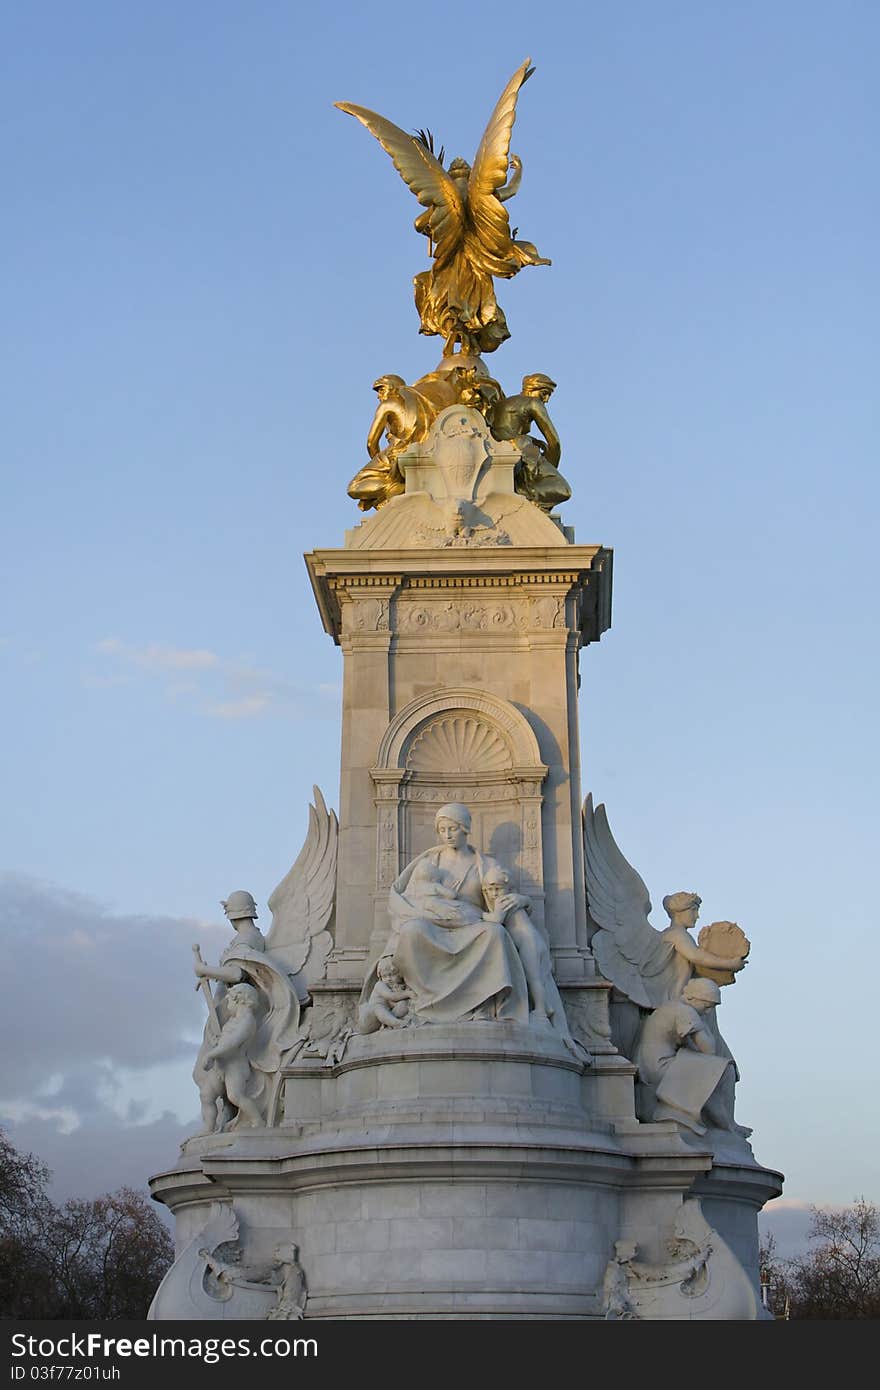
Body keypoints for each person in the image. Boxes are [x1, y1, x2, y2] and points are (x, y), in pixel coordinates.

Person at [385, 803, 530, 1024]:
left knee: (494, 933)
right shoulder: (428, 863)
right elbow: (411, 899)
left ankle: (479, 1004)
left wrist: (523, 900)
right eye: (442, 830)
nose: (447, 834)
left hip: (471, 925)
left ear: (465, 828)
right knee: (411, 930)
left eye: (452, 828)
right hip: (434, 924)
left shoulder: (485, 864)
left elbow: (501, 897)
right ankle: (424, 1000)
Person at [192, 891, 304, 1132]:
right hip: (226, 1012)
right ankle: (222, 1119)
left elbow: (236, 974)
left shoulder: (249, 938)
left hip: (229, 1015)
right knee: (207, 1080)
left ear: (231, 914)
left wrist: (205, 969)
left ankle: (242, 1119)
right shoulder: (248, 937)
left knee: (210, 1076)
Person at [634, 978, 750, 1135]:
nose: (708, 1012)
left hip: (652, 1064)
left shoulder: (673, 1008)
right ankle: (726, 1124)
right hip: (659, 1067)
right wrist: (703, 1026)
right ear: (691, 998)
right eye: (706, 1006)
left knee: (713, 1070)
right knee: (723, 1069)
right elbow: (709, 1050)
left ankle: (725, 1122)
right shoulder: (684, 1011)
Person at [346, 374, 436, 511]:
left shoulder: (388, 404)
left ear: (393, 388)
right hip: (417, 449)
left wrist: (382, 464)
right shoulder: (419, 405)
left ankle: (395, 489)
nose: (379, 396)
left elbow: (371, 442)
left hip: (393, 453)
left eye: (382, 389)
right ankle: (390, 492)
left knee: (354, 487)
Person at [489, 374, 570, 512]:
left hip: (497, 448)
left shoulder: (504, 403)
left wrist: (532, 440)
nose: (546, 400)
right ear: (532, 389)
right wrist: (550, 468)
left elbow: (506, 430)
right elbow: (554, 442)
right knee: (563, 489)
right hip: (521, 450)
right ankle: (522, 493)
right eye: (544, 393)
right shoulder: (533, 403)